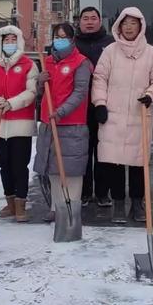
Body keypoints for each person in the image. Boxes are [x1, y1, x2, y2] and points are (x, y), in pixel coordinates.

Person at [92, 7, 153, 223]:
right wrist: (100, 104)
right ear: (119, 26)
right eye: (125, 23)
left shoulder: (152, 53)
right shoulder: (110, 51)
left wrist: (151, 95)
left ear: (141, 26)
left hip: (138, 115)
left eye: (134, 23)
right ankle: (118, 204)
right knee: (113, 164)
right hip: (112, 116)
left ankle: (137, 204)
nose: (129, 27)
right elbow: (99, 79)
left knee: (138, 164)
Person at [34, 23, 91, 223]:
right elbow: (40, 94)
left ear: (72, 39)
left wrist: (62, 112)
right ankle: (55, 206)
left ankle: (70, 208)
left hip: (71, 123)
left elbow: (80, 92)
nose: (59, 40)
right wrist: (40, 82)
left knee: (71, 170)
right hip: (49, 123)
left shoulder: (81, 62)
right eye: (56, 36)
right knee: (53, 168)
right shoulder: (47, 61)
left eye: (63, 36)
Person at [0, 25, 38, 223]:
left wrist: (12, 103)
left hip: (20, 122)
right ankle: (9, 202)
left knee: (19, 165)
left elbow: (31, 91)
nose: (9, 44)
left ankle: (20, 204)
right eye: (6, 40)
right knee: (4, 165)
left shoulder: (28, 65)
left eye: (13, 40)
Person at [75, 6, 114, 207]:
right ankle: (84, 192)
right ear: (79, 22)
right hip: (78, 107)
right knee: (83, 150)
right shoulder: (73, 44)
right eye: (85, 18)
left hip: (104, 105)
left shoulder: (110, 44)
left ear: (100, 21)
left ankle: (102, 193)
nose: (89, 22)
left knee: (103, 150)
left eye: (93, 18)